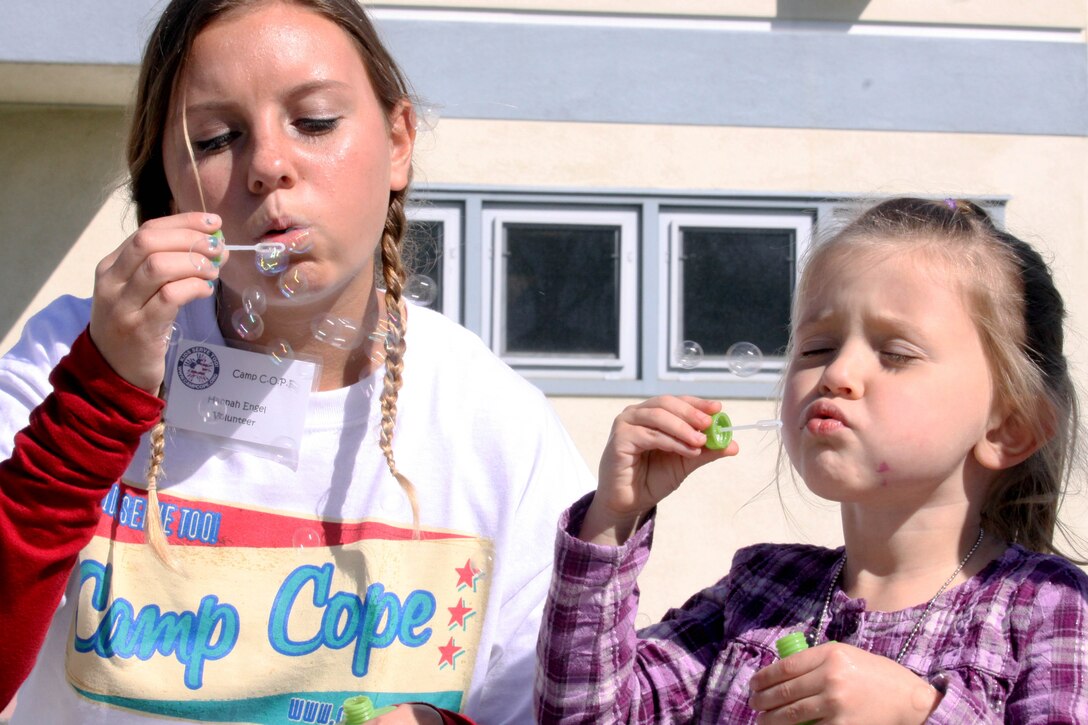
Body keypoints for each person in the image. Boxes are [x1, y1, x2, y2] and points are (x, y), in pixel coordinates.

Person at [0, 1, 594, 723]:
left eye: (314, 122)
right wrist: (98, 398)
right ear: (168, 182)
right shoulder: (75, 359)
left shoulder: (498, 429)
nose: (268, 167)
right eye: (216, 139)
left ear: (399, 141)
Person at [535, 197, 1088, 723]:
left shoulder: (1049, 611)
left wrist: (921, 714)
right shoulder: (760, 594)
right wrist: (612, 518)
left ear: (1009, 427)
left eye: (895, 353)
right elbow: (586, 713)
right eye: (816, 348)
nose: (837, 374)